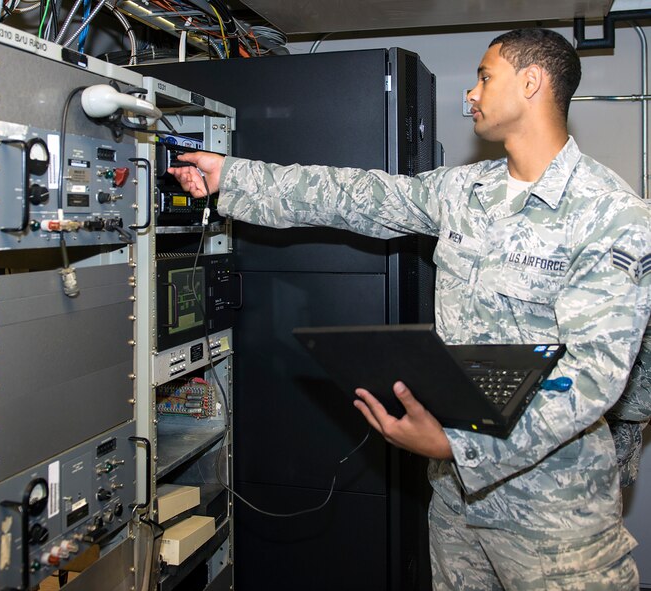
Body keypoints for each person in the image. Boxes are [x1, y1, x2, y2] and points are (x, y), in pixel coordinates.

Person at [169, 28, 651, 590]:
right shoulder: (464, 191)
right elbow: (353, 196)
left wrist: (458, 444)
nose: (469, 95)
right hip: (456, 499)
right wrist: (233, 176)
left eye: (484, 77)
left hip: (555, 518)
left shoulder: (611, 214)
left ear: (531, 81)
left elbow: (591, 377)